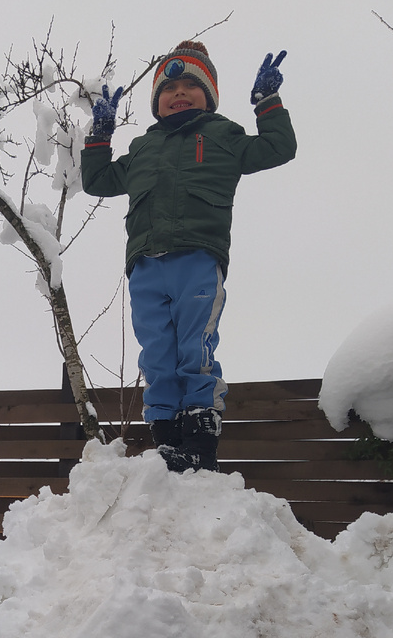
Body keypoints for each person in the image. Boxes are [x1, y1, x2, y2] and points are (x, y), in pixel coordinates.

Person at [81, 41, 296, 472]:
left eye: (190, 85)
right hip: (144, 265)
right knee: (156, 354)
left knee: (193, 350)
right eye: (169, 87)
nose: (178, 93)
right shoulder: (143, 147)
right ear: (157, 102)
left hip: (197, 258)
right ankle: (166, 442)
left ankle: (199, 446)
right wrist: (100, 134)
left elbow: (278, 148)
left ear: (210, 94)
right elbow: (99, 180)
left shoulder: (223, 135)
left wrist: (267, 103)